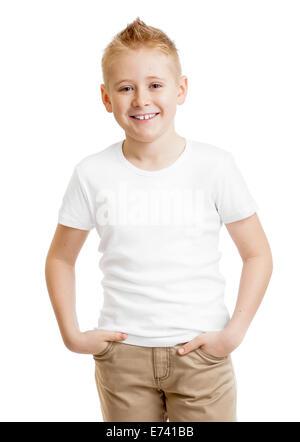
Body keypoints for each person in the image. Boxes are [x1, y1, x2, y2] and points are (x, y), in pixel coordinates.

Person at [45, 17, 273, 422]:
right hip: (122, 358)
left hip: (201, 355)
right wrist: (73, 336)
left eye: (155, 85)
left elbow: (257, 254)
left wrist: (232, 334)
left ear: (180, 89)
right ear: (105, 97)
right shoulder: (91, 173)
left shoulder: (215, 166)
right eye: (125, 88)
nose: (141, 100)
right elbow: (60, 258)